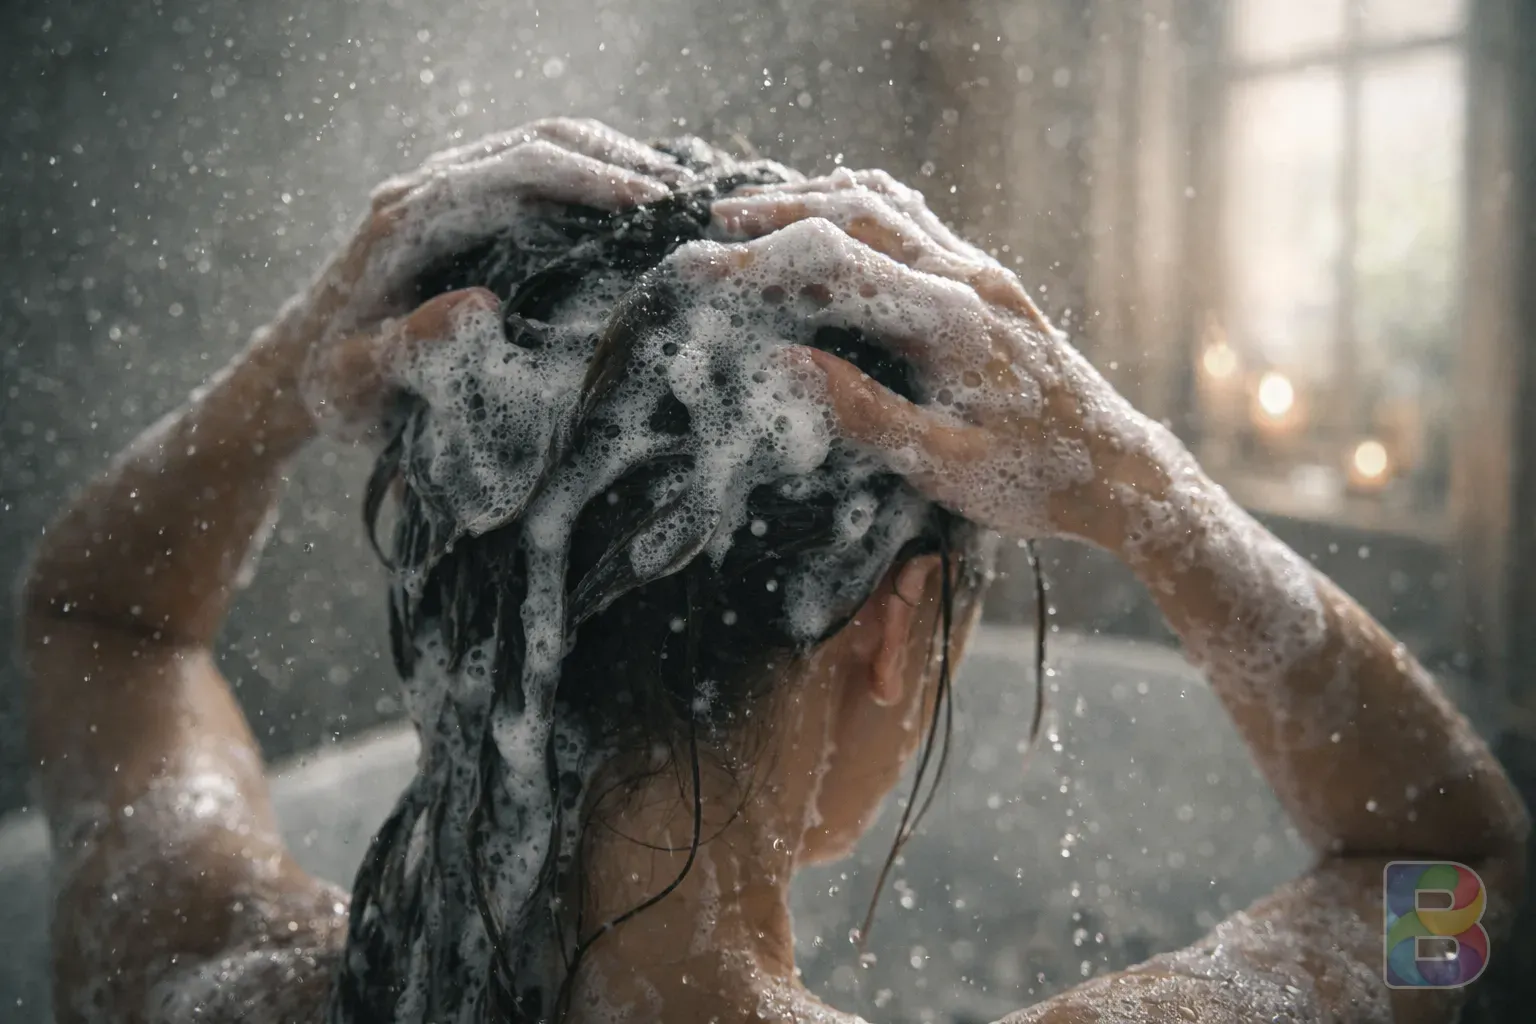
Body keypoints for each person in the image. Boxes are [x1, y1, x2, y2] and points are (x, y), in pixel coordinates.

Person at [20, 118, 1528, 1024]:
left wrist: (292, 371)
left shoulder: (203, 971)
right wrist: (1145, 487)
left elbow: (103, 622)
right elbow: (1460, 887)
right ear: (894, 627)